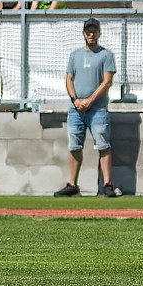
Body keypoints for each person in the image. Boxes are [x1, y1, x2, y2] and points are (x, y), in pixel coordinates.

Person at [58, 18, 119, 197]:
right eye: (88, 31)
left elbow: (107, 82)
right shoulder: (75, 55)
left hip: (97, 108)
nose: (91, 34)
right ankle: (72, 184)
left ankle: (107, 184)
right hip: (76, 109)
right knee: (74, 145)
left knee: (103, 144)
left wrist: (90, 100)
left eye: (94, 31)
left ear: (99, 33)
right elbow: (69, 79)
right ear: (83, 33)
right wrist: (75, 100)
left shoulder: (106, 55)